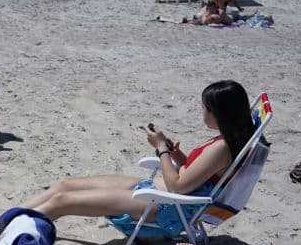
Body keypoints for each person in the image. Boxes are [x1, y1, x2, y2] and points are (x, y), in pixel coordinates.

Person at [18, 81, 256, 230]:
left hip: (167, 206)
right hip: (156, 191)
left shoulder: (221, 147)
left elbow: (178, 187)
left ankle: (9, 230)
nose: (202, 111)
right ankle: (5, 219)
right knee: (65, 185)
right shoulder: (226, 140)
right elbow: (199, 174)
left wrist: (161, 148)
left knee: (62, 202)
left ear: (219, 113)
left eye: (205, 108)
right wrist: (177, 155)